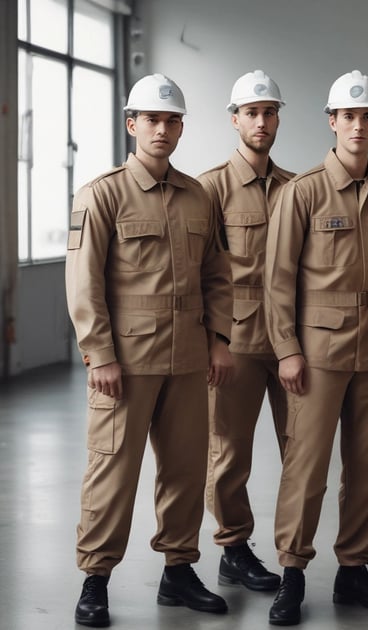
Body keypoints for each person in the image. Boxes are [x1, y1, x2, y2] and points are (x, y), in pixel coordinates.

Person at [65, 73, 234, 627]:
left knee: (186, 470)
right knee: (112, 470)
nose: (162, 129)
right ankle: (95, 578)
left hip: (187, 358)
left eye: (172, 120)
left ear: (182, 127)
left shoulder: (197, 196)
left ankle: (179, 570)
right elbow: (83, 283)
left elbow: (217, 275)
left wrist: (218, 341)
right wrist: (100, 355)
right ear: (132, 124)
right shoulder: (102, 194)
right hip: (127, 364)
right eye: (152, 120)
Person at [263, 70, 368, 626]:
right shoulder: (302, 192)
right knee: (307, 465)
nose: (359, 125)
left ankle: (353, 569)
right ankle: (292, 572)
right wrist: (286, 351)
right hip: (316, 352)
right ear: (332, 122)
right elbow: (277, 281)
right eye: (349, 116)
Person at [198, 70, 293, 594]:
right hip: (233, 341)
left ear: (278, 118)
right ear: (234, 119)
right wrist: (214, 340)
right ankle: (234, 548)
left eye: (269, 112)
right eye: (251, 112)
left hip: (289, 342)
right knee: (228, 450)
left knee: (299, 448)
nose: (261, 121)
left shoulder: (297, 187)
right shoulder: (209, 188)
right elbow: (203, 271)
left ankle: (292, 553)